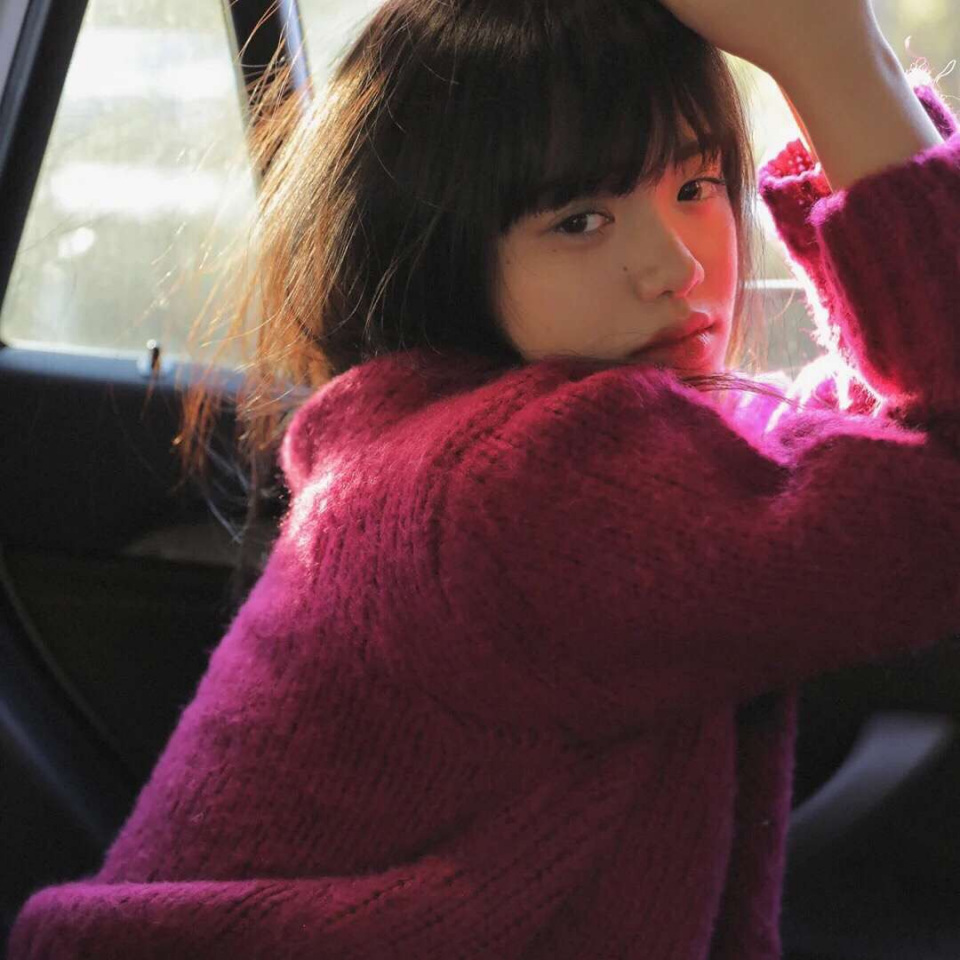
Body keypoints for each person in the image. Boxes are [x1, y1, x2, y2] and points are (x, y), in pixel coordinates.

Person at [7, 0, 960, 957]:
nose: (672, 264)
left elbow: (853, 436)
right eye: (580, 220)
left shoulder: (444, 435)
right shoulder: (526, 490)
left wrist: (840, 70)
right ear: (440, 249)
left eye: (697, 186)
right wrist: (837, 63)